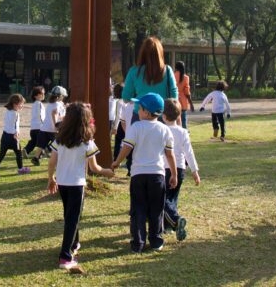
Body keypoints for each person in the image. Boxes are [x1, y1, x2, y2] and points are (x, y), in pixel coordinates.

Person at [46, 103, 115, 271]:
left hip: (62, 184)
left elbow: (52, 162)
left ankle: (74, 243)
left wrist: (51, 178)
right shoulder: (87, 143)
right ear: (86, 121)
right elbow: (95, 168)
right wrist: (109, 172)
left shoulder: (59, 140)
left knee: (70, 215)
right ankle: (65, 257)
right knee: (72, 218)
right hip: (77, 185)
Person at [111, 93, 178, 253]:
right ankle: (156, 241)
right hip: (158, 175)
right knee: (156, 209)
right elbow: (170, 154)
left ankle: (138, 243)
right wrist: (174, 174)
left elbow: (126, 148)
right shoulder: (165, 130)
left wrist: (116, 162)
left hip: (138, 175)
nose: (137, 111)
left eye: (139, 108)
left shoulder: (135, 127)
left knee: (138, 209)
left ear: (147, 112)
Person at [161, 99, 201, 241]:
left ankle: (176, 221)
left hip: (165, 169)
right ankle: (170, 226)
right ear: (179, 116)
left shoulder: (162, 130)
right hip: (180, 169)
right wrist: (195, 171)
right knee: (172, 198)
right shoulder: (183, 132)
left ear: (163, 115)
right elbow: (189, 152)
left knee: (163, 199)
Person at [121, 37, 178, 124]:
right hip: (163, 117)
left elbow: (125, 97)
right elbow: (174, 97)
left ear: (142, 53)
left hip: (139, 116)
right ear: (160, 53)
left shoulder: (134, 71)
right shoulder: (168, 70)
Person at [0, 94, 29, 177]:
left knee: (1, 154)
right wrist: (17, 133)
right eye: (21, 104)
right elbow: (15, 125)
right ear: (15, 104)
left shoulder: (8, 111)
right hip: (13, 137)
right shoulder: (16, 114)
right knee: (18, 153)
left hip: (4, 136)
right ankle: (20, 169)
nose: (22, 106)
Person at [32, 86, 67, 166]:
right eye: (63, 96)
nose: (63, 98)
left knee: (41, 145)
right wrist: (56, 126)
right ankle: (59, 159)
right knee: (58, 145)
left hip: (44, 129)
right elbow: (54, 114)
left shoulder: (51, 103)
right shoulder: (57, 104)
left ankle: (36, 158)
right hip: (53, 129)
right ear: (60, 96)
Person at [23, 86, 46, 159]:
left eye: (44, 93)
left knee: (33, 141)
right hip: (40, 127)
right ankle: (40, 155)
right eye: (41, 94)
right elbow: (41, 115)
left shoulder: (34, 104)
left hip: (33, 128)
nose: (43, 95)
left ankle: (26, 150)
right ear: (35, 96)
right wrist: (44, 124)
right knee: (41, 142)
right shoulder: (40, 104)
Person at [174, 61, 195, 129]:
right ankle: (185, 135)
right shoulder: (186, 77)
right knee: (183, 121)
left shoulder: (172, 75)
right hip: (183, 102)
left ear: (176, 67)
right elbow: (187, 92)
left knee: (174, 121)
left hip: (174, 100)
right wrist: (191, 103)